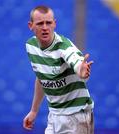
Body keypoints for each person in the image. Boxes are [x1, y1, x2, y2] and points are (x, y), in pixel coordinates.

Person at [23, 5, 94, 134]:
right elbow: (41, 78)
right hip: (54, 116)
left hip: (77, 116)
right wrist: (34, 111)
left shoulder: (64, 47)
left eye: (48, 23)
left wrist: (82, 72)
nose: (45, 27)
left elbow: (77, 63)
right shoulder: (30, 46)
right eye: (40, 23)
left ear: (54, 24)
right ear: (31, 26)